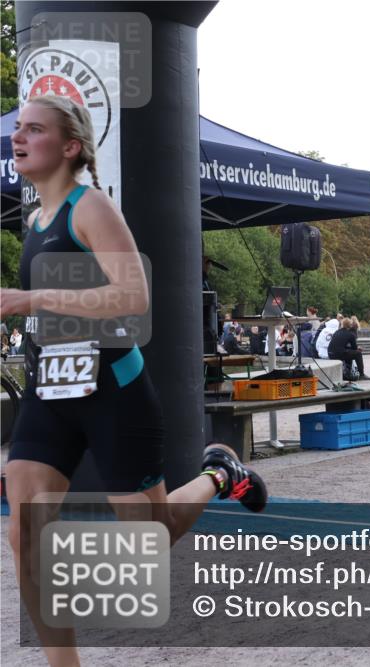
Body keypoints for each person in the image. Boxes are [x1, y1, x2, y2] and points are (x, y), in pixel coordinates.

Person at [2, 95, 268, 667]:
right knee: (24, 530)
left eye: (34, 130)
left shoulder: (89, 207)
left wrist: (28, 298)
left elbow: (133, 297)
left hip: (112, 391)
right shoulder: (34, 220)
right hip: (52, 392)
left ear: (70, 146)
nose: (18, 137)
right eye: (17, 128)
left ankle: (220, 473)